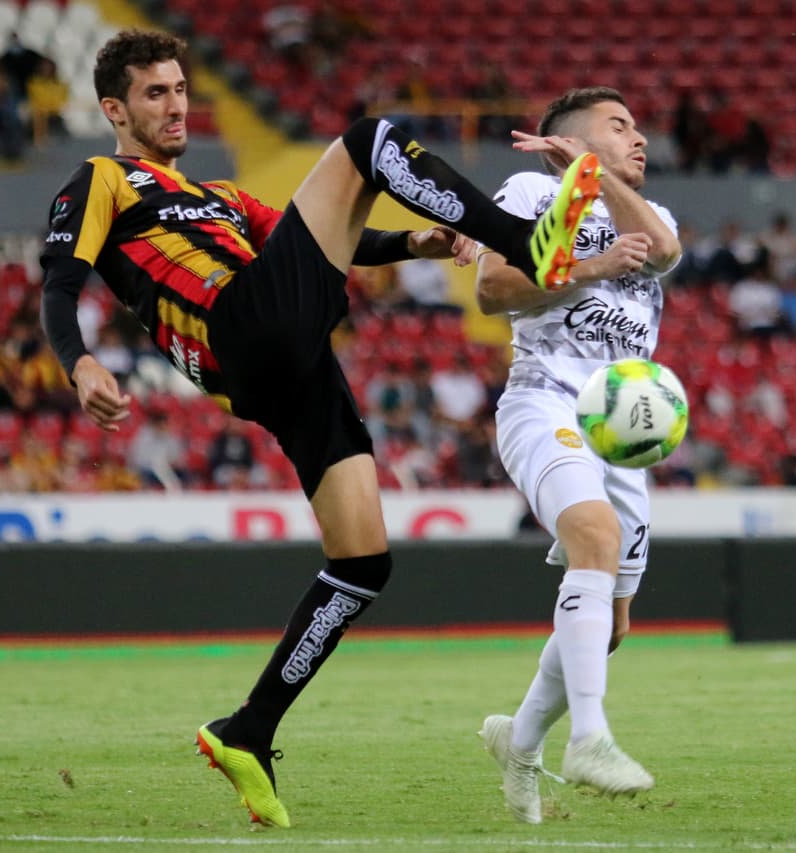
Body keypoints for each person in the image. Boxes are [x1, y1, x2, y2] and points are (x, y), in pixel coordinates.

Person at [38, 29, 601, 828]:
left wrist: (414, 241)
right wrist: (79, 361)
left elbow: (328, 233)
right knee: (371, 139)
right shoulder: (103, 179)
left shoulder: (225, 198)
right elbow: (60, 285)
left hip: (284, 361)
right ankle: (526, 241)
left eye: (180, 88)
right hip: (240, 330)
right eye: (155, 93)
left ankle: (248, 730)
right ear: (114, 110)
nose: (176, 105)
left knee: (364, 559)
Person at [471, 87, 681, 823]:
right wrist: (589, 265)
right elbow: (494, 288)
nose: (640, 136)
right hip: (547, 400)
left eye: (639, 126)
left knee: (613, 623)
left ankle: (520, 741)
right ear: (569, 137)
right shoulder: (532, 189)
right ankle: (588, 737)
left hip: (623, 430)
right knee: (595, 537)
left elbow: (664, 251)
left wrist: (601, 175)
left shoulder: (642, 211)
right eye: (620, 125)